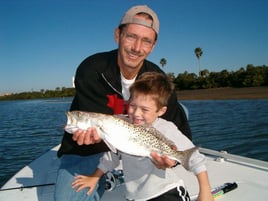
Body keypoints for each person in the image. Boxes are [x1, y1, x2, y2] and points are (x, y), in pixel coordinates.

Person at [55, 5, 192, 201]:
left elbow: (181, 128)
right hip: (92, 150)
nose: (137, 48)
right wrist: (88, 139)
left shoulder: (156, 78)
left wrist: (172, 160)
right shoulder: (92, 69)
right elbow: (90, 125)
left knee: (181, 111)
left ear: (153, 46)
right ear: (117, 35)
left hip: (138, 143)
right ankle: (108, 174)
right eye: (131, 36)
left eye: (146, 41)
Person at [72, 72, 214, 201]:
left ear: (161, 111)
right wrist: (94, 177)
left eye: (145, 109)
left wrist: (205, 191)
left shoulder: (166, 128)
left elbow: (194, 158)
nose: (137, 114)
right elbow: (111, 157)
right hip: (135, 197)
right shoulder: (119, 123)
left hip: (166, 192)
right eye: (133, 106)